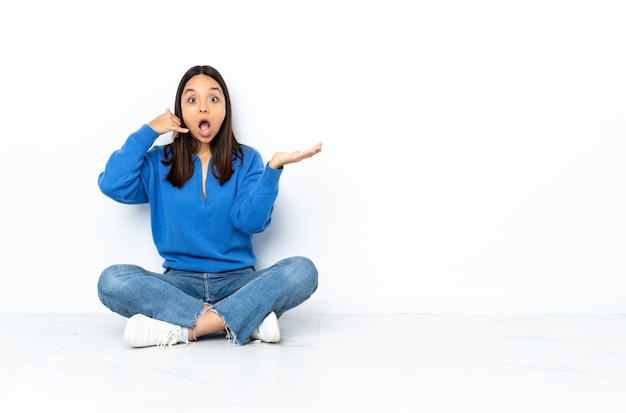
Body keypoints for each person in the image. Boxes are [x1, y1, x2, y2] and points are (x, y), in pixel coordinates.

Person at [97, 65, 322, 348]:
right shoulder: (158, 161)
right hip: (180, 285)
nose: (203, 108)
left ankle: (183, 330)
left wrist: (273, 169)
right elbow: (112, 184)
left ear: (225, 109)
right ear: (179, 109)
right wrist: (150, 130)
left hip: (238, 283)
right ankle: (245, 321)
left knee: (301, 271)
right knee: (113, 281)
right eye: (192, 100)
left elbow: (250, 222)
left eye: (213, 99)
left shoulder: (248, 160)